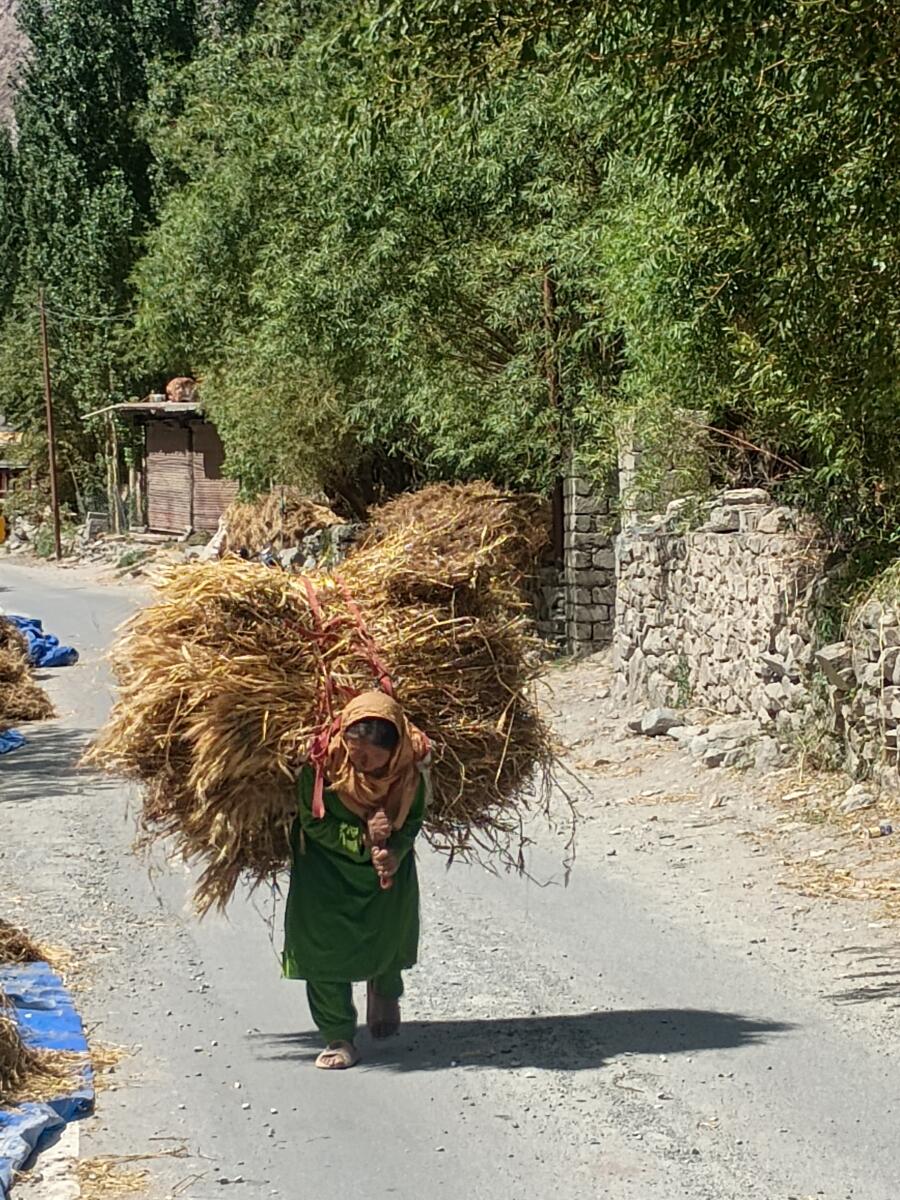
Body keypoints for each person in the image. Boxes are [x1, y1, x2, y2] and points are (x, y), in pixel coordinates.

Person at [282, 691, 430, 1070]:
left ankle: (384, 987)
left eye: (371, 759)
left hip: (385, 874)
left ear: (394, 751)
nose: (360, 765)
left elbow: (411, 822)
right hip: (325, 872)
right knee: (323, 950)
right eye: (355, 753)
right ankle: (338, 1035)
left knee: (386, 933)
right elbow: (312, 820)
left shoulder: (410, 772)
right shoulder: (321, 765)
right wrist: (362, 839)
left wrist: (394, 850)